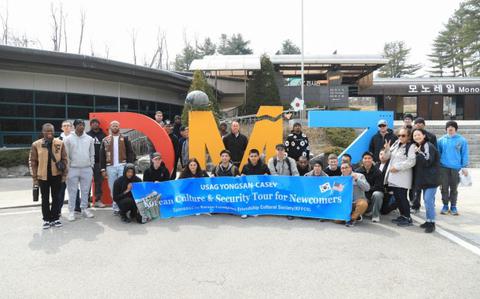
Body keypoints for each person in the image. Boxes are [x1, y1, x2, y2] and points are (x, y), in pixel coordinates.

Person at [29, 123, 68, 229]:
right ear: (43, 132)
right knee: (45, 198)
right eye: (47, 131)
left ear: (54, 131)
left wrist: (64, 175)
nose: (49, 133)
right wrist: (35, 178)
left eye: (51, 130)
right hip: (42, 176)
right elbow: (33, 162)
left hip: (57, 175)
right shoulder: (36, 144)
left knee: (56, 197)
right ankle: (46, 219)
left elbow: (65, 159)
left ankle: (55, 218)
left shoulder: (60, 143)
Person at [100, 120, 136, 215]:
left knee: (123, 187)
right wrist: (103, 169)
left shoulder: (125, 138)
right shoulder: (105, 139)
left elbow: (130, 152)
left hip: (122, 166)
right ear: (110, 127)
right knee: (112, 188)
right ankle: (116, 207)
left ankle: (123, 207)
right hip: (110, 167)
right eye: (113, 126)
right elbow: (102, 155)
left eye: (116, 126)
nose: (115, 127)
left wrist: (130, 166)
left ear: (119, 127)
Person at [384, 127, 416, 227]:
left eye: (403, 135)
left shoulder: (411, 146)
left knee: (402, 197)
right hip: (393, 176)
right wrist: (387, 149)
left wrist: (397, 167)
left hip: (402, 177)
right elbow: (387, 157)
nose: (400, 137)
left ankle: (408, 218)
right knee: (397, 197)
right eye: (399, 135)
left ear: (408, 136)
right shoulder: (396, 143)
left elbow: (411, 161)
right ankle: (402, 215)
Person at [63, 119, 95, 221]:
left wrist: (91, 166)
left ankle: (84, 209)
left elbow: (92, 154)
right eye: (79, 125)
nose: (81, 127)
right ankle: (71, 211)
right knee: (72, 191)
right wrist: (67, 169)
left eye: (83, 125)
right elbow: (66, 155)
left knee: (85, 191)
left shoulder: (90, 139)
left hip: (86, 168)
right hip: (73, 169)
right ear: (74, 126)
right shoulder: (68, 139)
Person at [437, 120, 469, 216]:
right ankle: (445, 205)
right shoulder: (441, 140)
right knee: (444, 188)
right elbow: (438, 153)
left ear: (456, 129)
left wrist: (464, 166)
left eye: (452, 129)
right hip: (443, 167)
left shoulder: (462, 140)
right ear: (446, 129)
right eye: (448, 129)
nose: (450, 130)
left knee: (454, 188)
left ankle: (454, 206)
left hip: (456, 168)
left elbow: (464, 154)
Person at [412, 128, 440, 233]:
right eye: (414, 136)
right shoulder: (420, 146)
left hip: (432, 179)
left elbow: (428, 161)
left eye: (418, 135)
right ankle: (428, 221)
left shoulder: (428, 145)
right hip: (425, 180)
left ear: (424, 135)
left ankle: (432, 223)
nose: (416, 137)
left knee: (428, 200)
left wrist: (419, 153)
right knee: (427, 201)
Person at [57, 120, 80, 214]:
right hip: (61, 169)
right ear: (62, 128)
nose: (66, 127)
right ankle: (58, 210)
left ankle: (77, 208)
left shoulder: (77, 138)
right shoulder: (57, 140)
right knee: (60, 190)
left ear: (71, 127)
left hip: (73, 168)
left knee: (75, 189)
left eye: (68, 125)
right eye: (64, 126)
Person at [355, 152, 384, 223]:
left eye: (369, 158)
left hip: (372, 193)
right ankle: (359, 213)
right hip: (362, 194)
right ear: (362, 160)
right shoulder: (357, 171)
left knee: (378, 194)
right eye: (365, 158)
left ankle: (375, 215)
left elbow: (379, 187)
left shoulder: (378, 172)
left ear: (372, 160)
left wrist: (367, 189)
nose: (367, 160)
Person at [340, 162, 370, 227]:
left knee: (363, 204)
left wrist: (357, 179)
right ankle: (356, 216)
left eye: (346, 167)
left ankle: (352, 219)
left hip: (357, 201)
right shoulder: (339, 179)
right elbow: (336, 192)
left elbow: (367, 188)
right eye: (342, 168)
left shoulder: (359, 176)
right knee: (336, 220)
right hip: (346, 203)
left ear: (350, 168)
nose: (344, 170)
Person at [87, 118, 107, 208]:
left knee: (98, 182)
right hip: (88, 163)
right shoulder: (87, 135)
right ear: (90, 125)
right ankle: (86, 201)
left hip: (99, 162)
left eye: (96, 123)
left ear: (99, 124)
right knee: (86, 182)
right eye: (93, 123)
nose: (95, 124)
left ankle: (98, 200)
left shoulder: (104, 135)